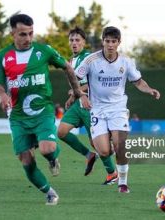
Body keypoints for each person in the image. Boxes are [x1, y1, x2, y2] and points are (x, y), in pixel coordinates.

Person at [0, 14, 87, 205]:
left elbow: (68, 67)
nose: (28, 38)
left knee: (47, 149)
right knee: (26, 161)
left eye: (31, 33)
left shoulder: (44, 51)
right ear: (12, 33)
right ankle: (50, 192)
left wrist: (77, 91)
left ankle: (53, 159)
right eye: (22, 34)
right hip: (18, 117)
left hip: (42, 111)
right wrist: (2, 94)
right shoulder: (3, 56)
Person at [75, 26, 161, 193]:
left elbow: (138, 81)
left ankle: (122, 183)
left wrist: (150, 89)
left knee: (121, 146)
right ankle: (106, 145)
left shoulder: (126, 62)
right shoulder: (91, 60)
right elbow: (74, 77)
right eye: (107, 41)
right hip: (97, 109)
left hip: (118, 109)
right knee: (105, 151)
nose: (110, 45)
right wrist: (81, 95)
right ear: (103, 42)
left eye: (114, 41)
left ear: (119, 43)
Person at [57, 27, 117, 182]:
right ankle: (88, 155)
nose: (74, 43)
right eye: (71, 40)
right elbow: (76, 84)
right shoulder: (70, 60)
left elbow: (98, 82)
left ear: (84, 42)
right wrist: (73, 97)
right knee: (61, 132)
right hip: (78, 104)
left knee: (97, 143)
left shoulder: (91, 58)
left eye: (77, 40)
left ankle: (112, 172)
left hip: (92, 105)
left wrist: (76, 91)